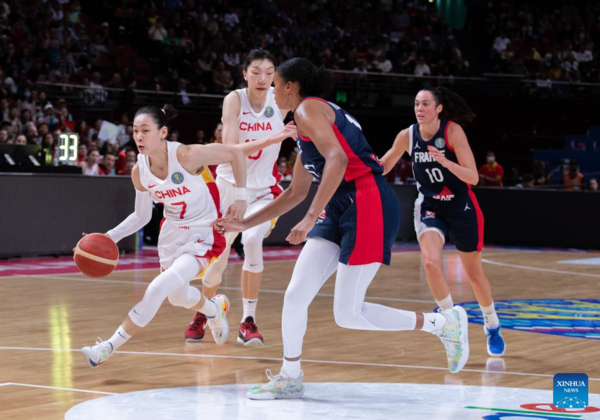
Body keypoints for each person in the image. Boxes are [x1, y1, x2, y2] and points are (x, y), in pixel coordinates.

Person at [218, 58, 470, 400]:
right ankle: (290, 375)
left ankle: (443, 324)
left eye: (276, 83)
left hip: (367, 200)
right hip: (340, 204)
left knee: (348, 314)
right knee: (294, 297)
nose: (273, 90)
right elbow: (296, 190)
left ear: (291, 86)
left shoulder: (308, 110)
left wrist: (310, 218)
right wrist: (245, 221)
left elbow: (337, 159)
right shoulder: (307, 118)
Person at [80, 104, 248, 368]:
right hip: (171, 235)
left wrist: (240, 198)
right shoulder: (139, 171)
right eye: (135, 131)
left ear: (163, 132)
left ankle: (107, 347)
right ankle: (215, 309)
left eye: (145, 130)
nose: (139, 136)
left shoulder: (186, 155)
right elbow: (141, 216)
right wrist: (109, 237)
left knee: (157, 288)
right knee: (177, 297)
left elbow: (236, 154)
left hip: (202, 233)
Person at [381, 86, 506, 359]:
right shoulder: (408, 135)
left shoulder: (452, 132)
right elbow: (385, 164)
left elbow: (473, 177)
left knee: (474, 274)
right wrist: (358, 170)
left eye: (426, 104)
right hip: (429, 205)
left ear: (438, 108)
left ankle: (491, 323)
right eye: (416, 103)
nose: (419, 108)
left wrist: (446, 162)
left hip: (461, 205)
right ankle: (451, 323)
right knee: (429, 262)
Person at [184, 49, 296, 347]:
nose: (263, 78)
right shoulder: (234, 99)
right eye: (256, 71)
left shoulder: (281, 99)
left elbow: (311, 110)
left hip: (263, 192)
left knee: (252, 240)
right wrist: (274, 138)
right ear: (244, 73)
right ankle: (206, 311)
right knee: (216, 262)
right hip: (227, 187)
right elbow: (232, 149)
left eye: (269, 72)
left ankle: (248, 320)